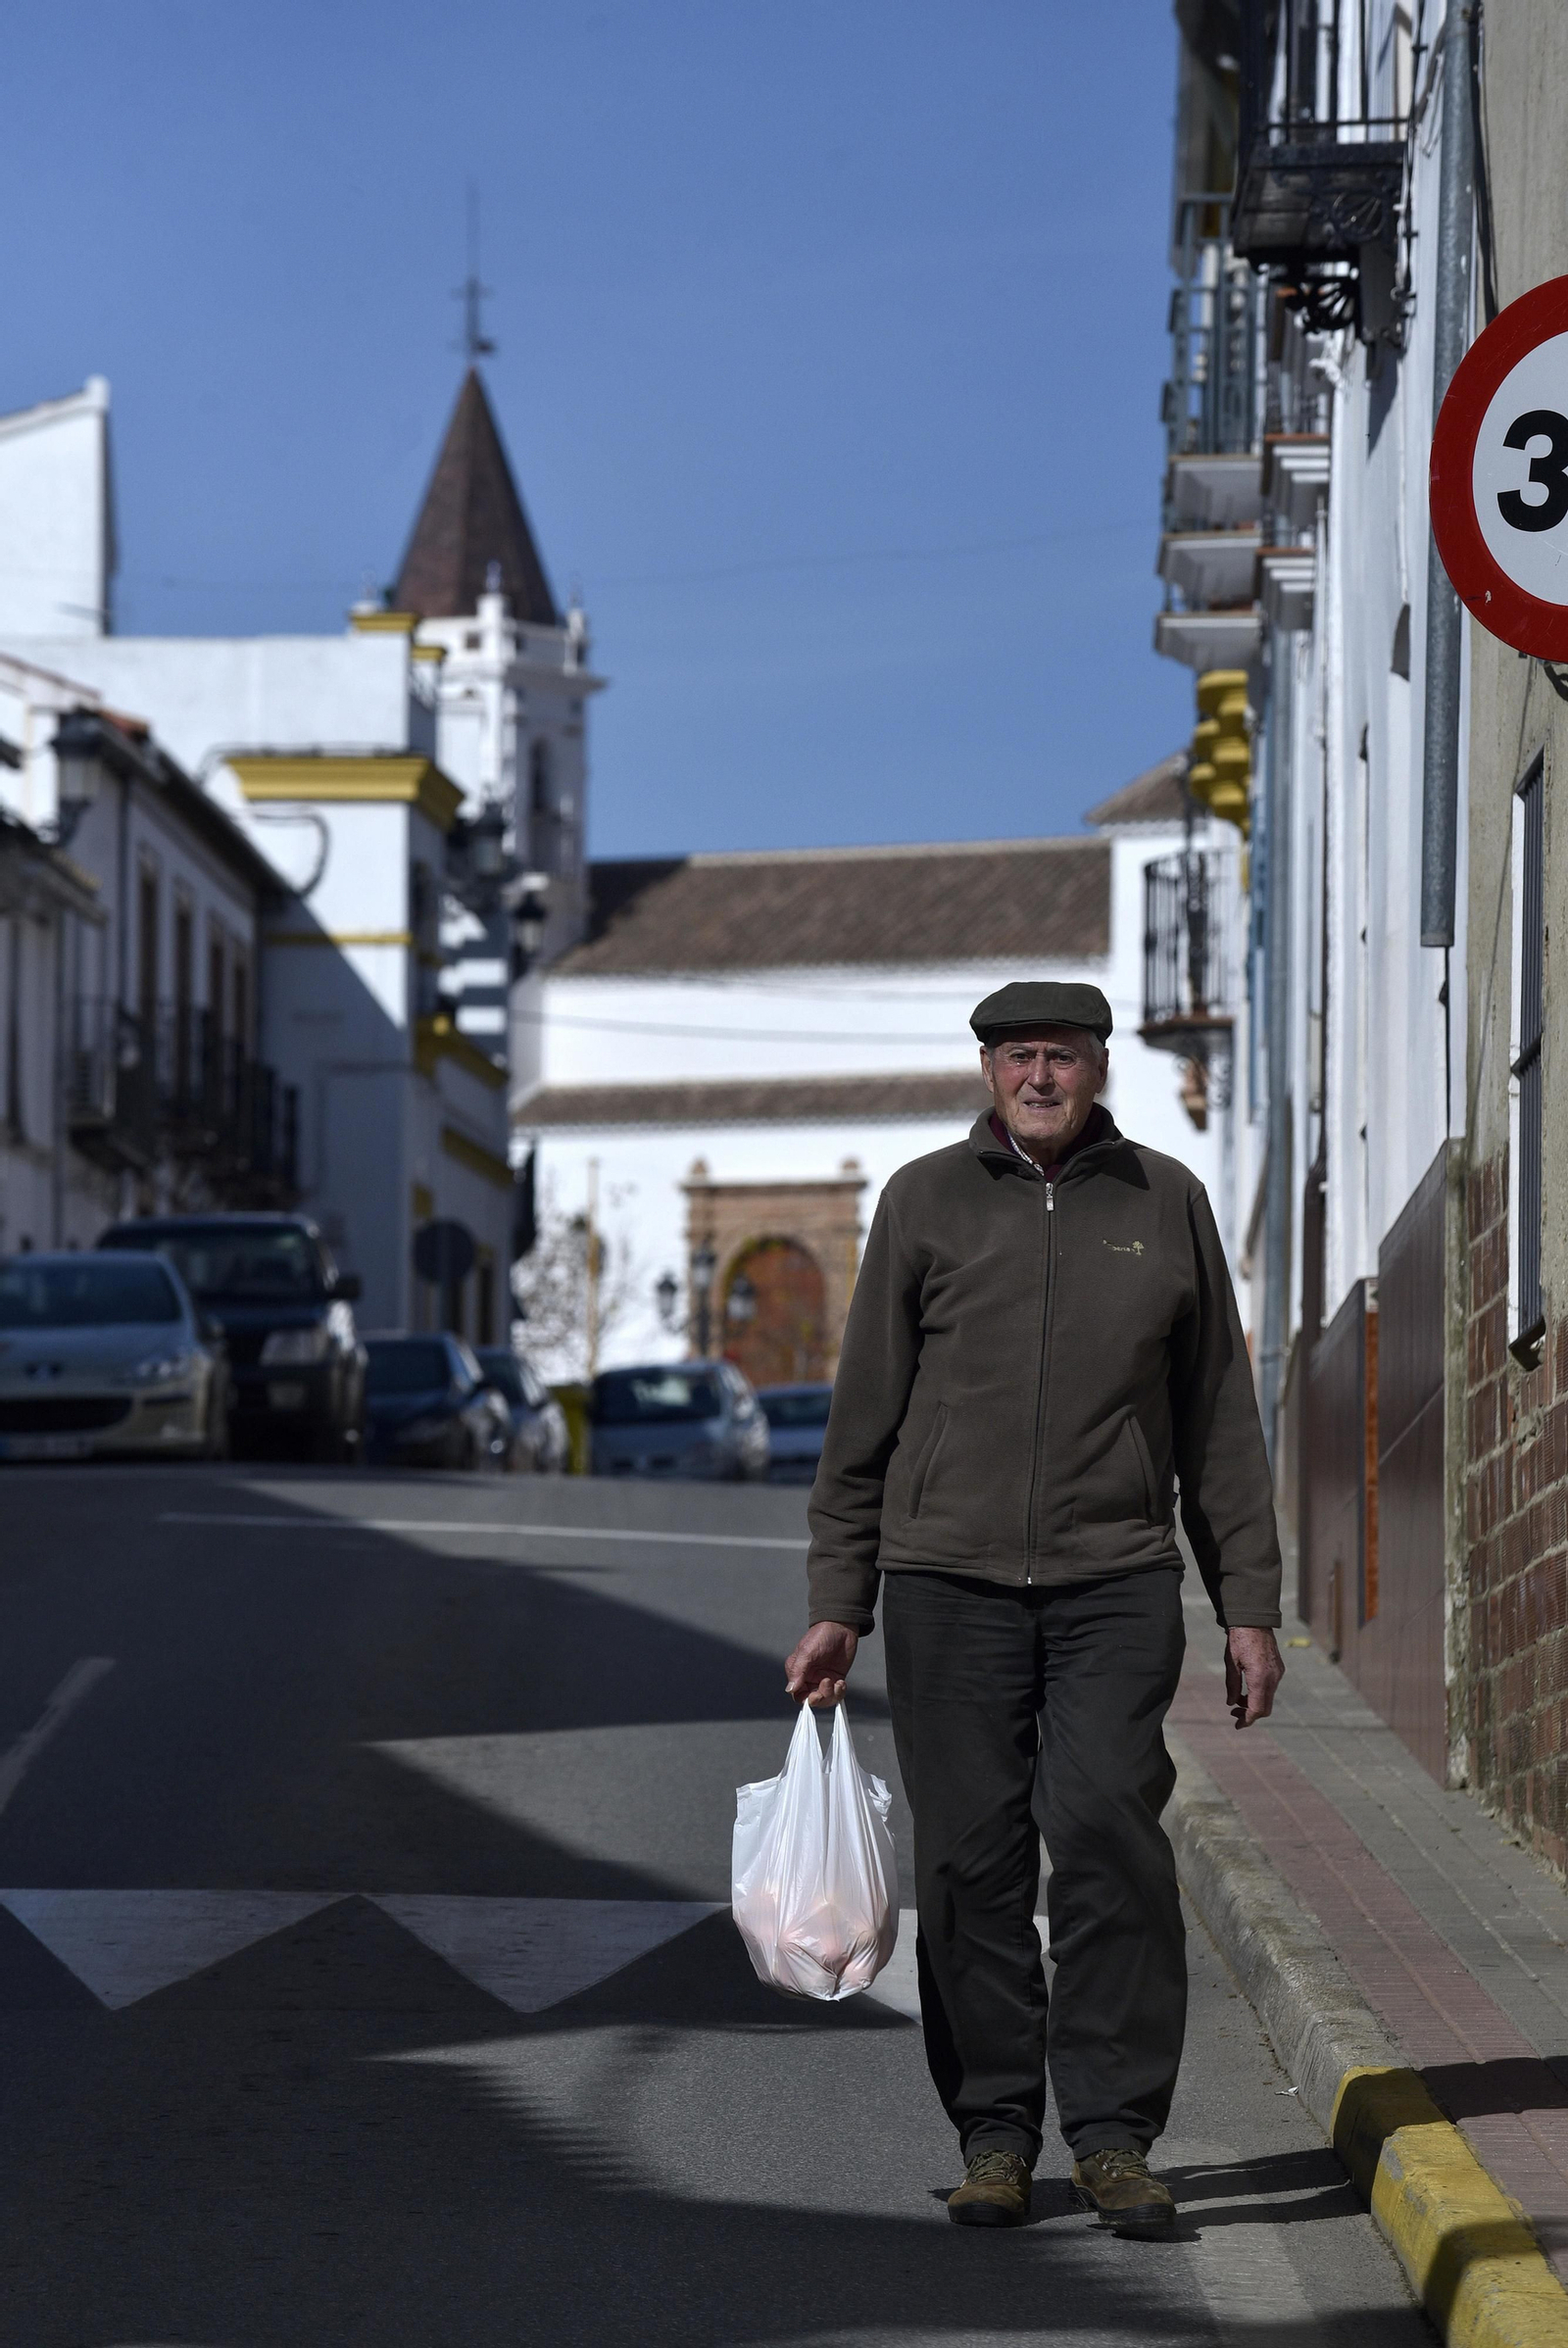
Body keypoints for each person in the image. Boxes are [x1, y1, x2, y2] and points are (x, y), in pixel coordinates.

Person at [785, 980, 1283, 2236]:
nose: (1040, 1077)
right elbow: (862, 1418)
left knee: (1109, 1831)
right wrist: (840, 1600)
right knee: (970, 1863)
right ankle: (996, 2134)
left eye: (1060, 1056)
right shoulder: (923, 1200)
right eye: (1018, 1057)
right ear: (989, 1071)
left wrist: (1248, 1603)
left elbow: (1219, 1418)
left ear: (1098, 1066)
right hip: (946, 1584)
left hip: (1115, 1577)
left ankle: (1113, 2135)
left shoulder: (1165, 1200)